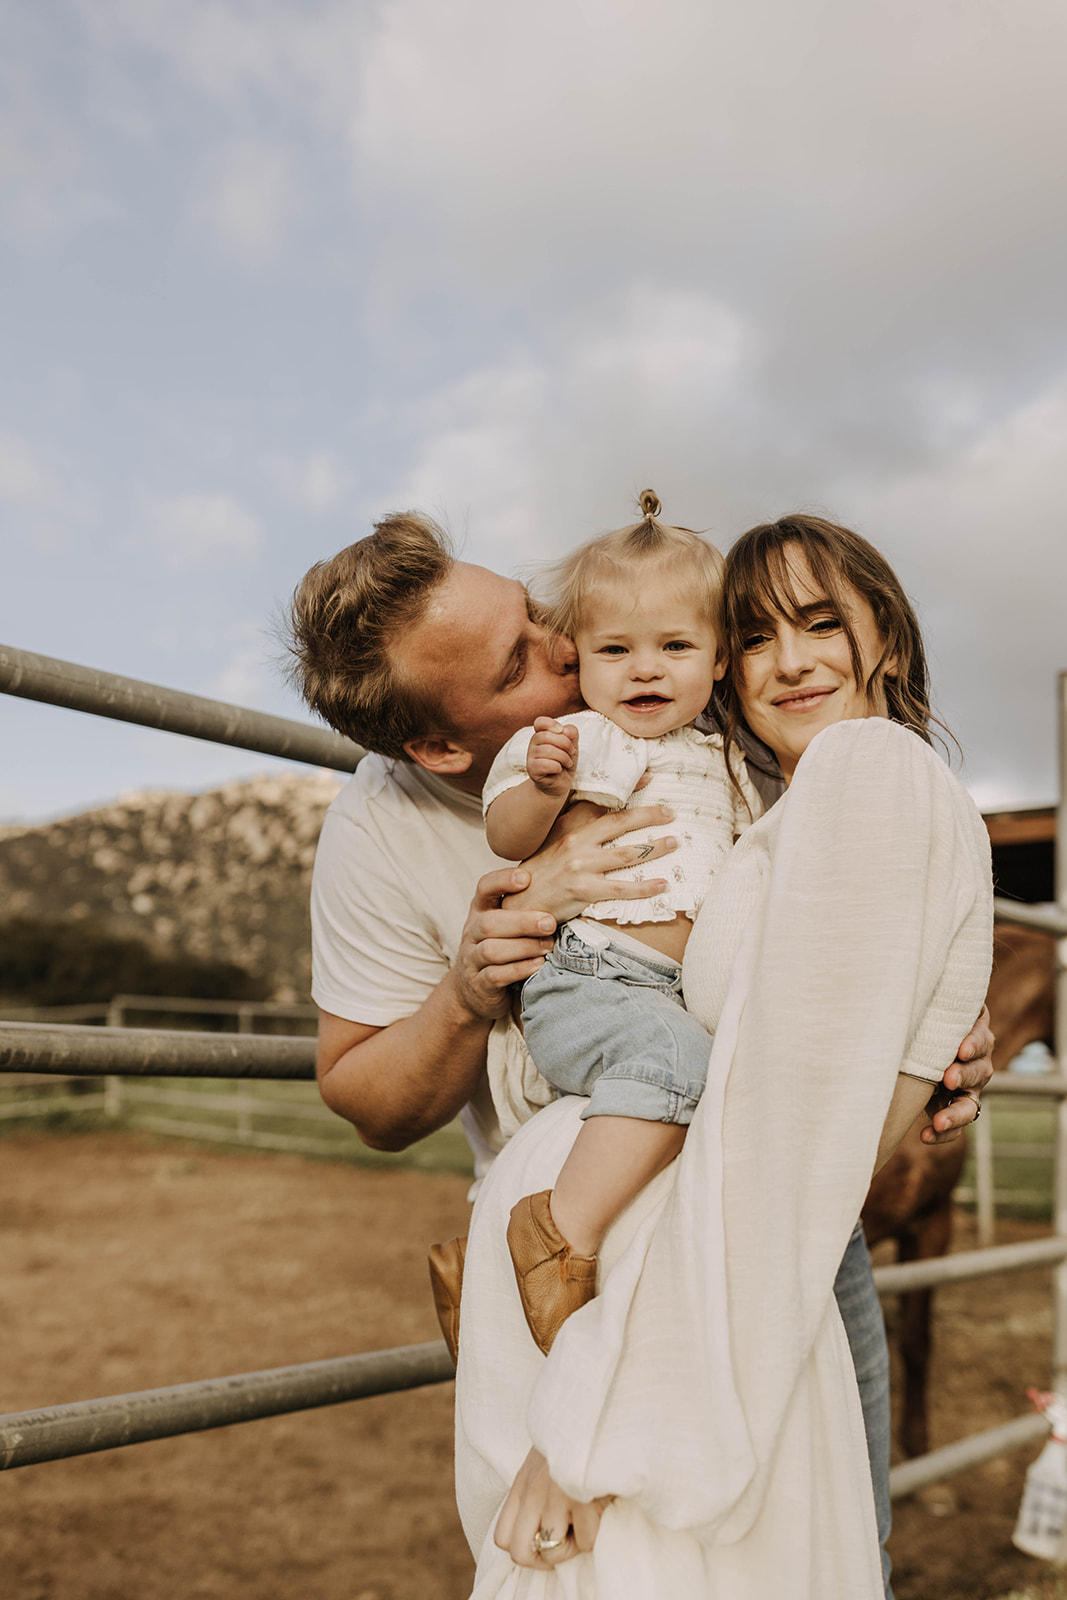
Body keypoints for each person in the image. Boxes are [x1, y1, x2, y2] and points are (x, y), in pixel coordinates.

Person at [285, 509, 992, 1598]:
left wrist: (927, 1012)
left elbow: (834, 902)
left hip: (748, 1204)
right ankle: (541, 1254)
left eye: (534, 609)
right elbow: (366, 1096)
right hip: (602, 1226)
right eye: (521, 656)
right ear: (437, 746)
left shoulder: (704, 710)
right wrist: (479, 977)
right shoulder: (387, 827)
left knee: (834, 1533)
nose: (567, 646)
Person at [484, 493, 761, 1354]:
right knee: (682, 1066)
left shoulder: (727, 757)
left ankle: (482, 1275)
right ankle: (556, 1236)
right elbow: (506, 835)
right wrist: (542, 785)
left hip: (660, 991)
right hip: (590, 977)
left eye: (674, 646)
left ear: (718, 660)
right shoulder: (587, 739)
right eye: (616, 649)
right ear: (578, 660)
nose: (644, 670)